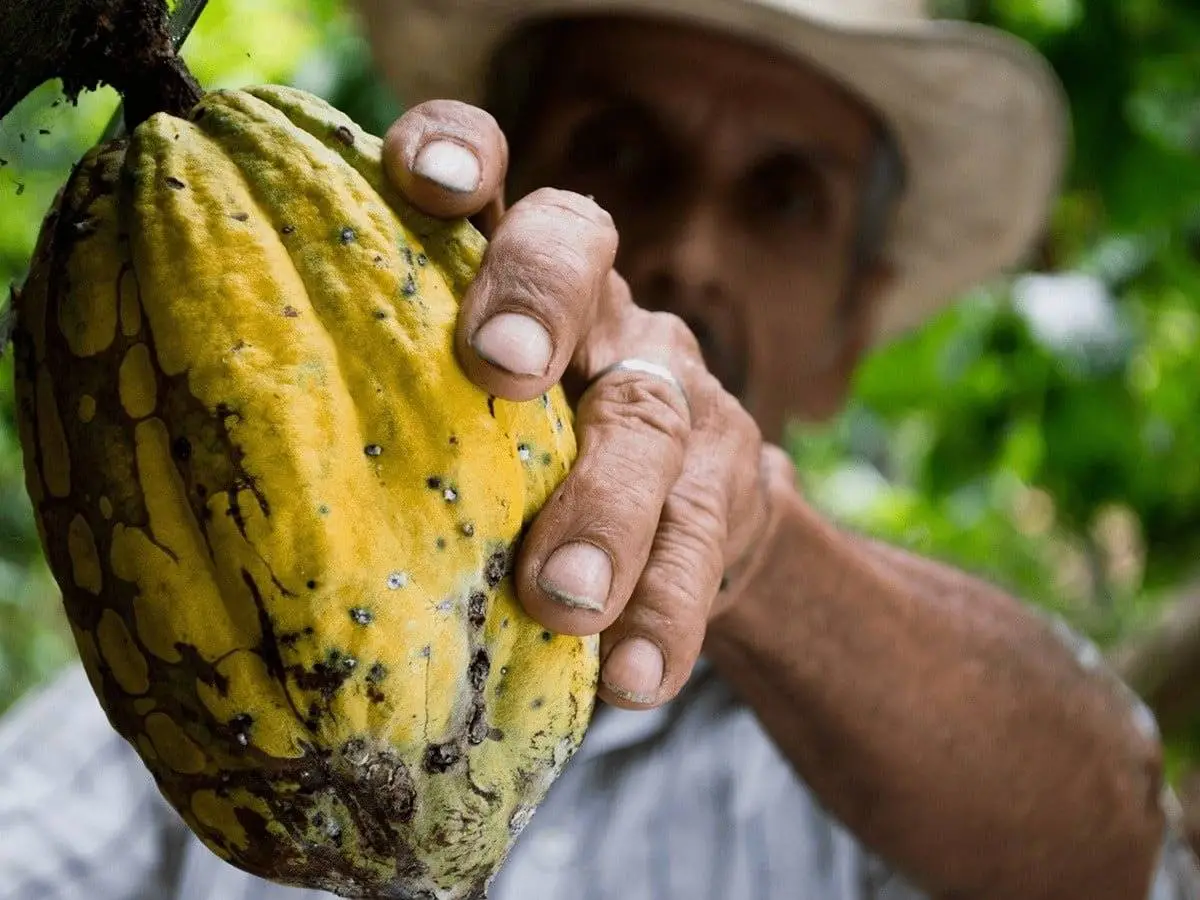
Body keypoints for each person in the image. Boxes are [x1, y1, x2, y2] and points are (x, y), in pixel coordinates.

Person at [2, 0, 1199, 898]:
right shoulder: (186, 678)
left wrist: (756, 545)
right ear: (478, 193)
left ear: (852, 329)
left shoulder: (890, 779)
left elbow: (1117, 846)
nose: (690, 252)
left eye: (784, 197)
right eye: (622, 149)